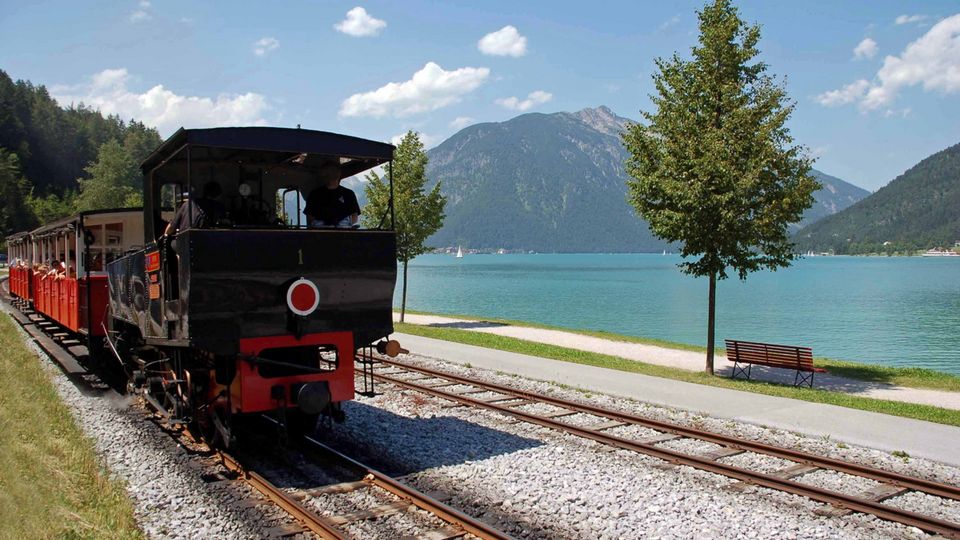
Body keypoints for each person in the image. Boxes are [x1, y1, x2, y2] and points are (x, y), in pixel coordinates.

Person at [304, 164, 360, 228]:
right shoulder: (314, 194)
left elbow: (354, 216)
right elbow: (310, 217)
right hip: (321, 232)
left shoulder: (348, 194)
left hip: (343, 233)